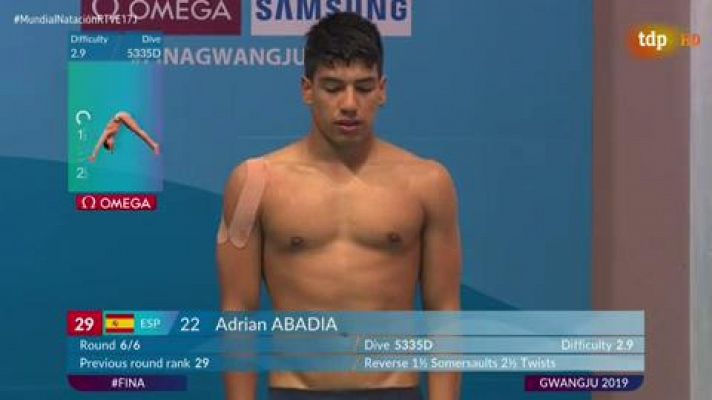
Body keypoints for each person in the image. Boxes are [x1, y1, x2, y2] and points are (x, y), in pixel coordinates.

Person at [217, 12, 462, 400]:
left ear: (382, 90)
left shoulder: (427, 182)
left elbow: (444, 311)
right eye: (333, 87)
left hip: (394, 389)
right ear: (307, 89)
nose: (349, 104)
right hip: (296, 390)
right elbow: (238, 313)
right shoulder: (254, 183)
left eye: (363, 88)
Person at [88, 111, 160, 162]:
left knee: (138, 131)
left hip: (120, 116)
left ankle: (154, 145)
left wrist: (94, 155)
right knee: (137, 132)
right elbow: (111, 145)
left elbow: (99, 143)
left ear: (106, 140)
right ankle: (153, 145)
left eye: (111, 144)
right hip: (122, 119)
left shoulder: (106, 132)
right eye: (112, 145)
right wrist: (111, 149)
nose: (113, 143)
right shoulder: (111, 136)